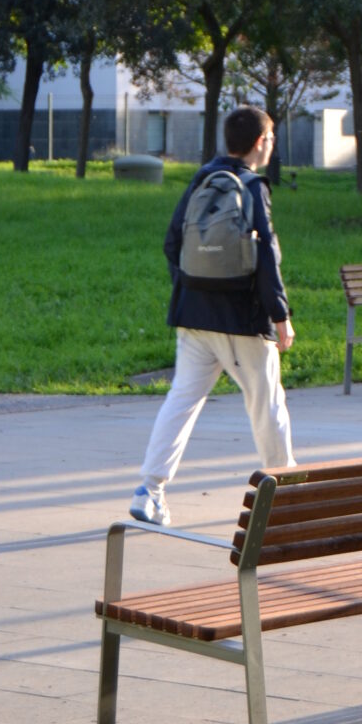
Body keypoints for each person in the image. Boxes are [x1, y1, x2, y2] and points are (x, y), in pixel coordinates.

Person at [129, 104, 295, 526]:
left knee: (181, 400)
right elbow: (267, 256)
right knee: (267, 405)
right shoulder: (253, 185)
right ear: (260, 143)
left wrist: (194, 286)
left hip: (192, 314)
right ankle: (286, 494)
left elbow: (172, 243)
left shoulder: (202, 179)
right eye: (271, 140)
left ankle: (150, 490)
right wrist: (281, 315)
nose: (271, 148)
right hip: (241, 319)